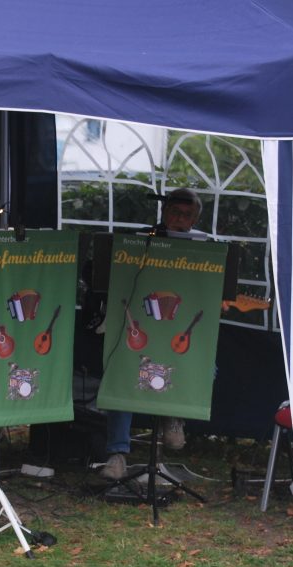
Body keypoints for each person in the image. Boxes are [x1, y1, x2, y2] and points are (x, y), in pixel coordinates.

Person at [99, 188, 202, 480]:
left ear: (194, 219)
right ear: (163, 212)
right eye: (174, 212)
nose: (179, 219)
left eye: (186, 215)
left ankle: (174, 417)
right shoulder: (141, 241)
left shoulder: (204, 248)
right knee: (120, 369)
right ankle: (117, 454)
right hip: (142, 328)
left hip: (177, 331)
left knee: (208, 367)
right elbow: (107, 275)